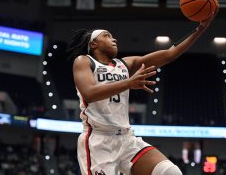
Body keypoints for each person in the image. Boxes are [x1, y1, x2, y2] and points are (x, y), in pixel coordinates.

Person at [67, 11, 217, 175]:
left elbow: (169, 54)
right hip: (98, 141)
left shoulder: (125, 63)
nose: (114, 39)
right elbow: (89, 93)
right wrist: (129, 83)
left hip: (126, 138)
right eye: (107, 36)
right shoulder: (84, 61)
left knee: (171, 172)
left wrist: (200, 29)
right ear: (94, 43)